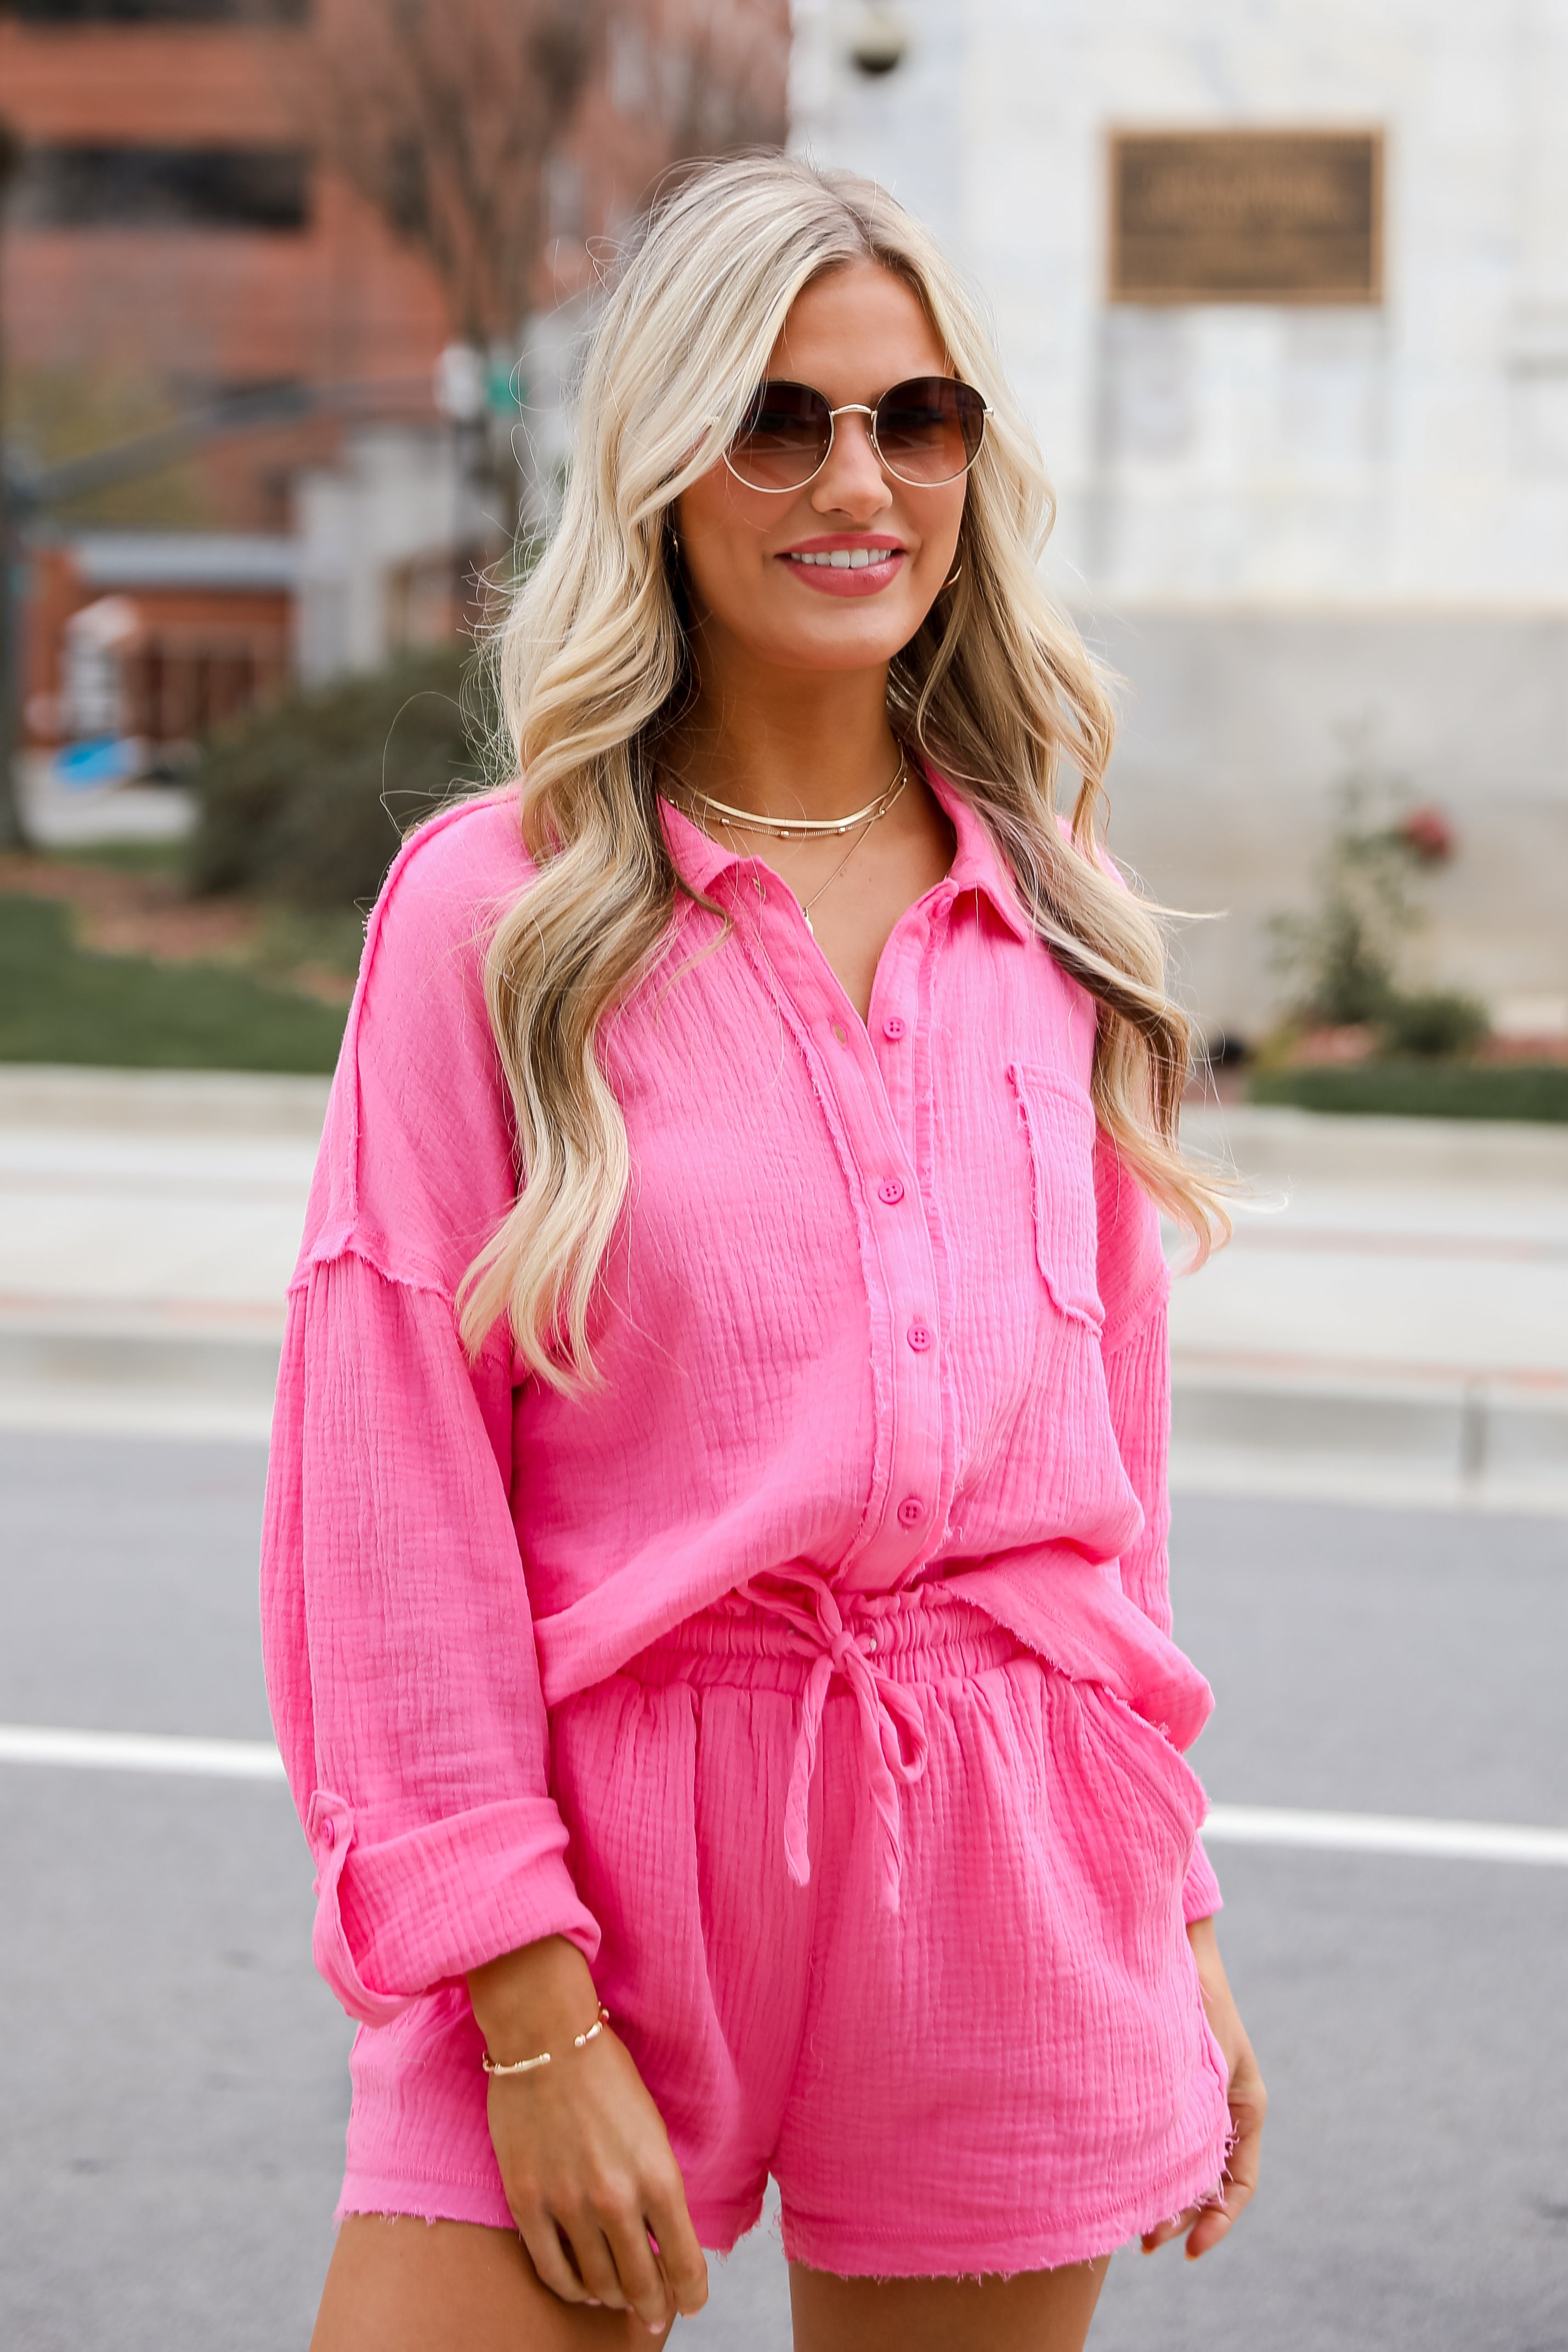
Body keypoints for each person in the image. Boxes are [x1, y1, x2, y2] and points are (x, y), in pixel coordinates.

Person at [263, 154, 1266, 2352]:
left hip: (1011, 1854)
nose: (856, 480)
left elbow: (1115, 1487)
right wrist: (526, 2013)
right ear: (660, 461)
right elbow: (390, 1498)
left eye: (915, 420)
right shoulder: (494, 910)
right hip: (610, 1871)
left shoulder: (1052, 903)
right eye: (779, 417)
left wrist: (1169, 1898)